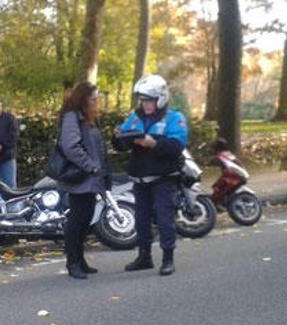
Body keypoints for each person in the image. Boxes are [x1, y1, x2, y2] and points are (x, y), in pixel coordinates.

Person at [112, 74, 188, 276]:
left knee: (164, 220)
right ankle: (144, 257)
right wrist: (118, 137)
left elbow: (177, 146)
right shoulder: (135, 118)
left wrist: (154, 144)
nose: (145, 104)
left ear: (160, 99)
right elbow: (121, 145)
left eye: (149, 100)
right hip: (140, 178)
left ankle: (168, 259)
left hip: (163, 179)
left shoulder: (174, 118)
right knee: (141, 220)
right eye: (143, 100)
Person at [57, 82, 111, 280]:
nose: (96, 102)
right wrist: (90, 166)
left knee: (86, 218)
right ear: (84, 99)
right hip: (81, 178)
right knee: (77, 220)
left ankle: (80, 260)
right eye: (93, 99)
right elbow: (70, 146)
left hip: (91, 178)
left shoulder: (87, 116)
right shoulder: (72, 116)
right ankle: (73, 262)